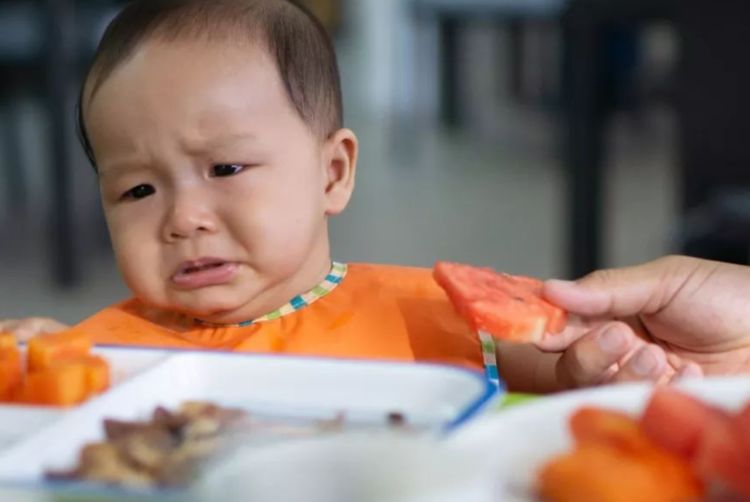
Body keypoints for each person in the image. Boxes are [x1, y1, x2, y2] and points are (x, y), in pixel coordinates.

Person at [0, 1, 723, 394]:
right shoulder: (101, 352)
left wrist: (588, 369)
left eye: (224, 169)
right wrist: (29, 364)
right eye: (138, 189)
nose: (183, 218)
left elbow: (554, 367)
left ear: (333, 173)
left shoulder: (423, 312)